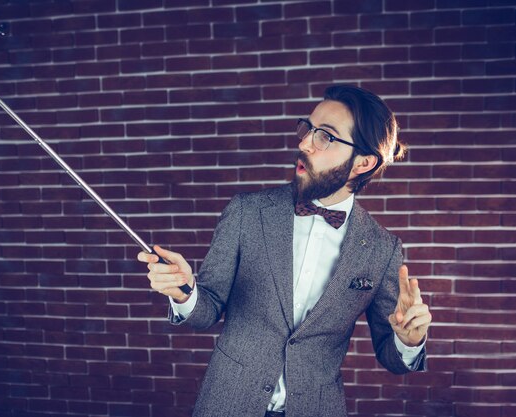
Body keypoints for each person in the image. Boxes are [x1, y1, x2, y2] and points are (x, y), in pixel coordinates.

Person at [137, 85, 432, 417]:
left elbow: (392, 358)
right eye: (307, 129)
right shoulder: (246, 212)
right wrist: (185, 291)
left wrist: (409, 341)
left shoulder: (382, 249)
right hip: (228, 404)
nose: (303, 143)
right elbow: (207, 310)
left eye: (326, 137)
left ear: (363, 162)